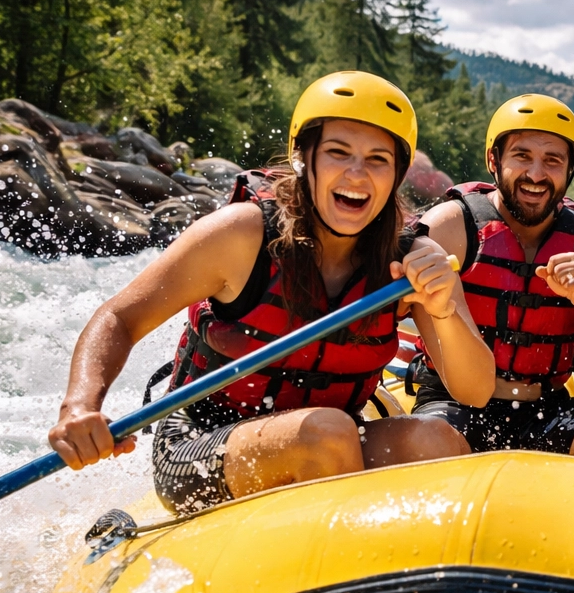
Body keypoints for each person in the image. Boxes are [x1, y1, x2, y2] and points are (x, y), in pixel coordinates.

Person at [49, 72, 493, 512]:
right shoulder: (240, 235)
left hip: (331, 434)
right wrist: (80, 406)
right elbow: (119, 317)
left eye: (378, 159)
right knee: (327, 434)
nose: (357, 175)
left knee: (434, 440)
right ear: (304, 158)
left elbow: (473, 391)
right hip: (201, 441)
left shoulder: (415, 257)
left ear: (397, 174)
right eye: (338, 153)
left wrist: (444, 309)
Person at [411, 94, 574, 464]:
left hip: (546, 410)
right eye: (522, 156)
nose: (536, 174)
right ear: (493, 161)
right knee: (425, 444)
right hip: (452, 407)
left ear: (569, 170)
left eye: (552, 160)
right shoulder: (451, 225)